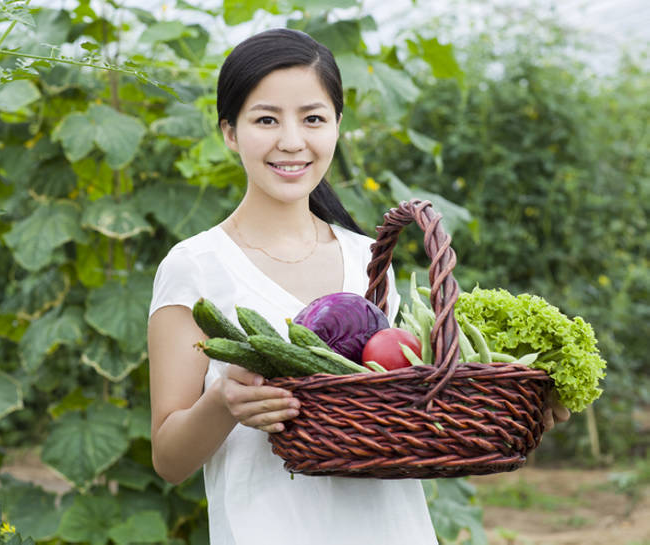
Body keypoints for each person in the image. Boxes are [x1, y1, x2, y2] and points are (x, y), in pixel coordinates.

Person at [147, 28, 568, 545]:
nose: (292, 141)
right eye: (265, 119)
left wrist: (506, 407)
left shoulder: (367, 258)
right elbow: (168, 460)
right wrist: (222, 404)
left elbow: (397, 416)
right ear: (230, 132)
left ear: (338, 127)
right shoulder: (195, 266)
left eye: (313, 118)